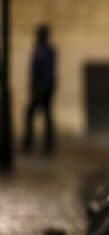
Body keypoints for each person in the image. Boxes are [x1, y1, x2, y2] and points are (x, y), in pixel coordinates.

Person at [22, 25, 56, 155]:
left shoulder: (44, 50)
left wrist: (39, 87)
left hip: (43, 87)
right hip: (43, 86)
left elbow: (42, 70)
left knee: (31, 112)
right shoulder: (43, 49)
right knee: (46, 114)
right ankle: (46, 143)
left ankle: (31, 142)